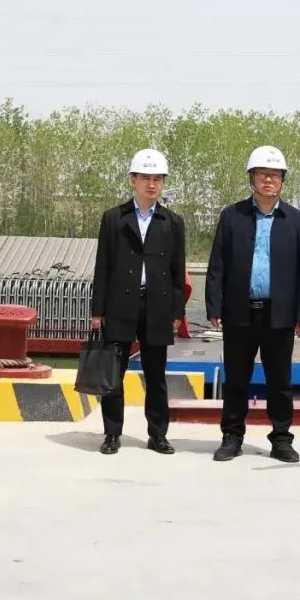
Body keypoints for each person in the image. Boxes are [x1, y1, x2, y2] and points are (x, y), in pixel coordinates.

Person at [205, 145, 300, 463]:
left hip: (279, 315)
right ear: (252, 177)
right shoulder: (232, 216)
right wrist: (214, 306)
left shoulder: (295, 220)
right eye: (263, 174)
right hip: (239, 312)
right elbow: (217, 264)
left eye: (275, 175)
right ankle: (232, 436)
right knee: (236, 379)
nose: (269, 180)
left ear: (282, 180)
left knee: (280, 381)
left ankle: (281, 438)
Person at [91, 148, 186, 456]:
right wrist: (97, 311)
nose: (152, 184)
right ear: (133, 180)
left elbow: (177, 270)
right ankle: (112, 434)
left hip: (157, 306)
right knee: (113, 374)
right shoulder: (114, 218)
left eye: (158, 179)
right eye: (145, 178)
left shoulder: (172, 222)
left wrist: (177, 310)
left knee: (156, 376)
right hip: (120, 304)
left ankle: (158, 435)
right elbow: (102, 267)